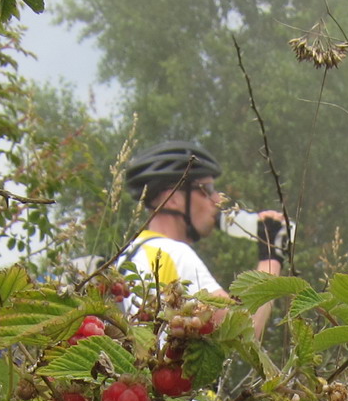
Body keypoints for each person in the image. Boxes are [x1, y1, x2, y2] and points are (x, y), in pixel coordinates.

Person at [119, 140, 288, 339]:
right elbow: (242, 331)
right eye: (206, 189)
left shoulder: (126, 257)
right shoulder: (171, 253)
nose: (217, 199)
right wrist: (272, 255)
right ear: (172, 197)